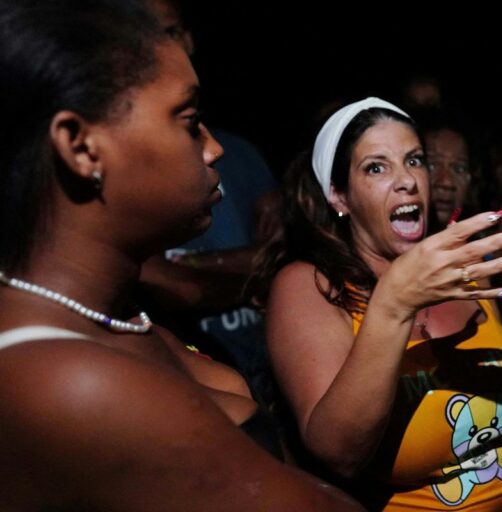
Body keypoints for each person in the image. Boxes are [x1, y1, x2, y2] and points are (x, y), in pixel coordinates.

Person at [0, 0, 362, 509]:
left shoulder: (118, 317)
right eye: (188, 120)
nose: (213, 148)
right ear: (81, 148)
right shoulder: (62, 378)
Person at [253, 97, 502, 511]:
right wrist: (394, 305)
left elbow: (497, 385)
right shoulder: (309, 285)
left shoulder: (466, 268)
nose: (406, 180)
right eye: (376, 167)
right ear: (339, 196)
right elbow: (339, 453)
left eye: (414, 160)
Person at [136, 0, 281, 406]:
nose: (211, 151)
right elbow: (177, 290)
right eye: (187, 125)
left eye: (173, 31)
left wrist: (190, 265)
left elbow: (278, 255)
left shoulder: (244, 156)